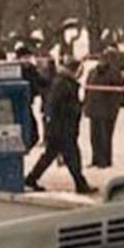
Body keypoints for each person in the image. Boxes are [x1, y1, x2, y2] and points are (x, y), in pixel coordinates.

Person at [24, 57, 93, 195]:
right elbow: (60, 106)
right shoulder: (64, 84)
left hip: (58, 128)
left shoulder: (62, 82)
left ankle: (31, 179)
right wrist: (78, 107)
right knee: (72, 156)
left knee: (51, 155)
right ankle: (80, 184)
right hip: (63, 128)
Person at [84, 48, 124, 170]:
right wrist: (86, 104)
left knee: (105, 136)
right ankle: (96, 158)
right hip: (94, 108)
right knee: (94, 136)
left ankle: (105, 160)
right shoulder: (92, 72)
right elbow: (87, 89)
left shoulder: (115, 73)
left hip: (107, 110)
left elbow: (119, 88)